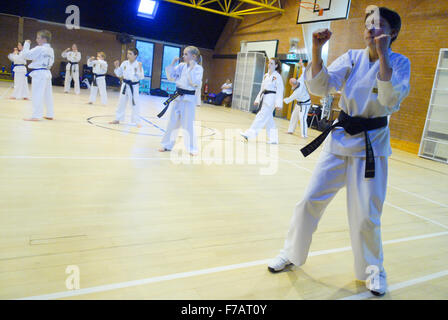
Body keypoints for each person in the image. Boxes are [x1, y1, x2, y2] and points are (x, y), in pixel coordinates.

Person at [267, 6, 411, 297]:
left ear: (392, 33)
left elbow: (389, 100)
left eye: (379, 25)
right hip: (340, 141)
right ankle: (291, 254)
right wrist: (318, 50)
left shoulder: (400, 63)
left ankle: (373, 272)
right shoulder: (352, 57)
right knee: (309, 200)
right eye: (368, 24)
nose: (371, 29)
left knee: (366, 216)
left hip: (372, 146)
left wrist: (383, 56)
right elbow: (322, 86)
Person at [159, 46, 203, 156]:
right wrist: (172, 64)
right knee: (172, 122)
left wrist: (191, 69)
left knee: (188, 124)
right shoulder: (181, 66)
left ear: (193, 56)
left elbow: (195, 83)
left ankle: (192, 148)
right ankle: (167, 145)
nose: (183, 56)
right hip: (178, 96)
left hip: (188, 99)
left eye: (186, 54)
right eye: (183, 54)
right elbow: (171, 77)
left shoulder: (198, 69)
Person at [240, 58, 284, 144]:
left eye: (272, 63)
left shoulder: (277, 76)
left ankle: (249, 134)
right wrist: (257, 99)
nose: (269, 65)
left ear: (276, 65)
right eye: (269, 63)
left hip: (272, 99)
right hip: (264, 98)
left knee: (260, 116)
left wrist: (278, 104)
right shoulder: (266, 75)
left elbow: (280, 90)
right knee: (269, 120)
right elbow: (262, 89)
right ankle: (274, 139)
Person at [21, 30, 55, 121]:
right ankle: (49, 113)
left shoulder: (39, 48)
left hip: (40, 73)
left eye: (38, 38)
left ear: (44, 39)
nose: (36, 40)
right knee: (48, 95)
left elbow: (26, 55)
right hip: (47, 72)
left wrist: (26, 44)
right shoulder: (51, 50)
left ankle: (36, 115)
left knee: (37, 94)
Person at [109, 48, 144, 127]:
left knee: (135, 103)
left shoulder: (138, 64)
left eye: (130, 54)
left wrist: (140, 68)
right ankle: (118, 119)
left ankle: (137, 121)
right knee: (121, 102)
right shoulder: (124, 63)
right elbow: (119, 74)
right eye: (128, 53)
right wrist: (117, 67)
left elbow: (141, 77)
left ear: (135, 55)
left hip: (134, 86)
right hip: (125, 84)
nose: (128, 55)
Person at [284, 67, 311, 137]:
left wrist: (280, 100)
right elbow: (304, 72)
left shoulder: (297, 92)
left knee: (302, 118)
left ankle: (304, 134)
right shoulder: (300, 81)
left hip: (305, 104)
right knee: (294, 116)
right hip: (299, 103)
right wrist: (302, 66)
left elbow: (289, 100)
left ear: (292, 84)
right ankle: (290, 130)